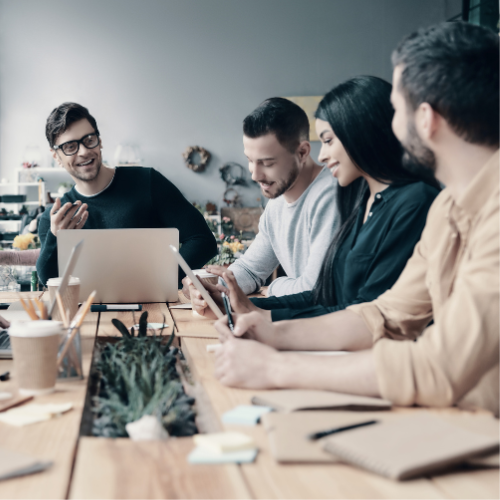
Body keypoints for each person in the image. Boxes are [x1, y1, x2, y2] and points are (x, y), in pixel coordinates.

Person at [213, 22, 499, 416]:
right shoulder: (448, 207)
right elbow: (384, 315)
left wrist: (279, 366)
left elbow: (440, 366)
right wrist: (273, 332)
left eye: (397, 110)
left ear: (426, 120)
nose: (390, 126)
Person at [188, 76, 440, 321]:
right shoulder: (366, 200)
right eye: (250, 161)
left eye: (328, 140)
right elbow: (330, 299)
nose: (255, 174)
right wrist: (229, 299)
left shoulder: (398, 200)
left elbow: (358, 312)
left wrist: (265, 308)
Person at [36, 102, 217, 286]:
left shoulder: (147, 181)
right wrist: (55, 236)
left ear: (100, 141)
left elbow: (202, 240)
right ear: (56, 156)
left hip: (155, 310)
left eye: (89, 139)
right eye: (70, 147)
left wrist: (160, 280)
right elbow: (48, 280)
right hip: (90, 313)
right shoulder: (56, 219)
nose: (83, 151)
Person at [185, 97, 338, 298]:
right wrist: (213, 287)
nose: (255, 175)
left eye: (267, 163)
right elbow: (250, 269)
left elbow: (316, 290)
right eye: (250, 160)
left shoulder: (331, 196)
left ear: (302, 153)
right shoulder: (277, 200)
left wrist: (272, 288)